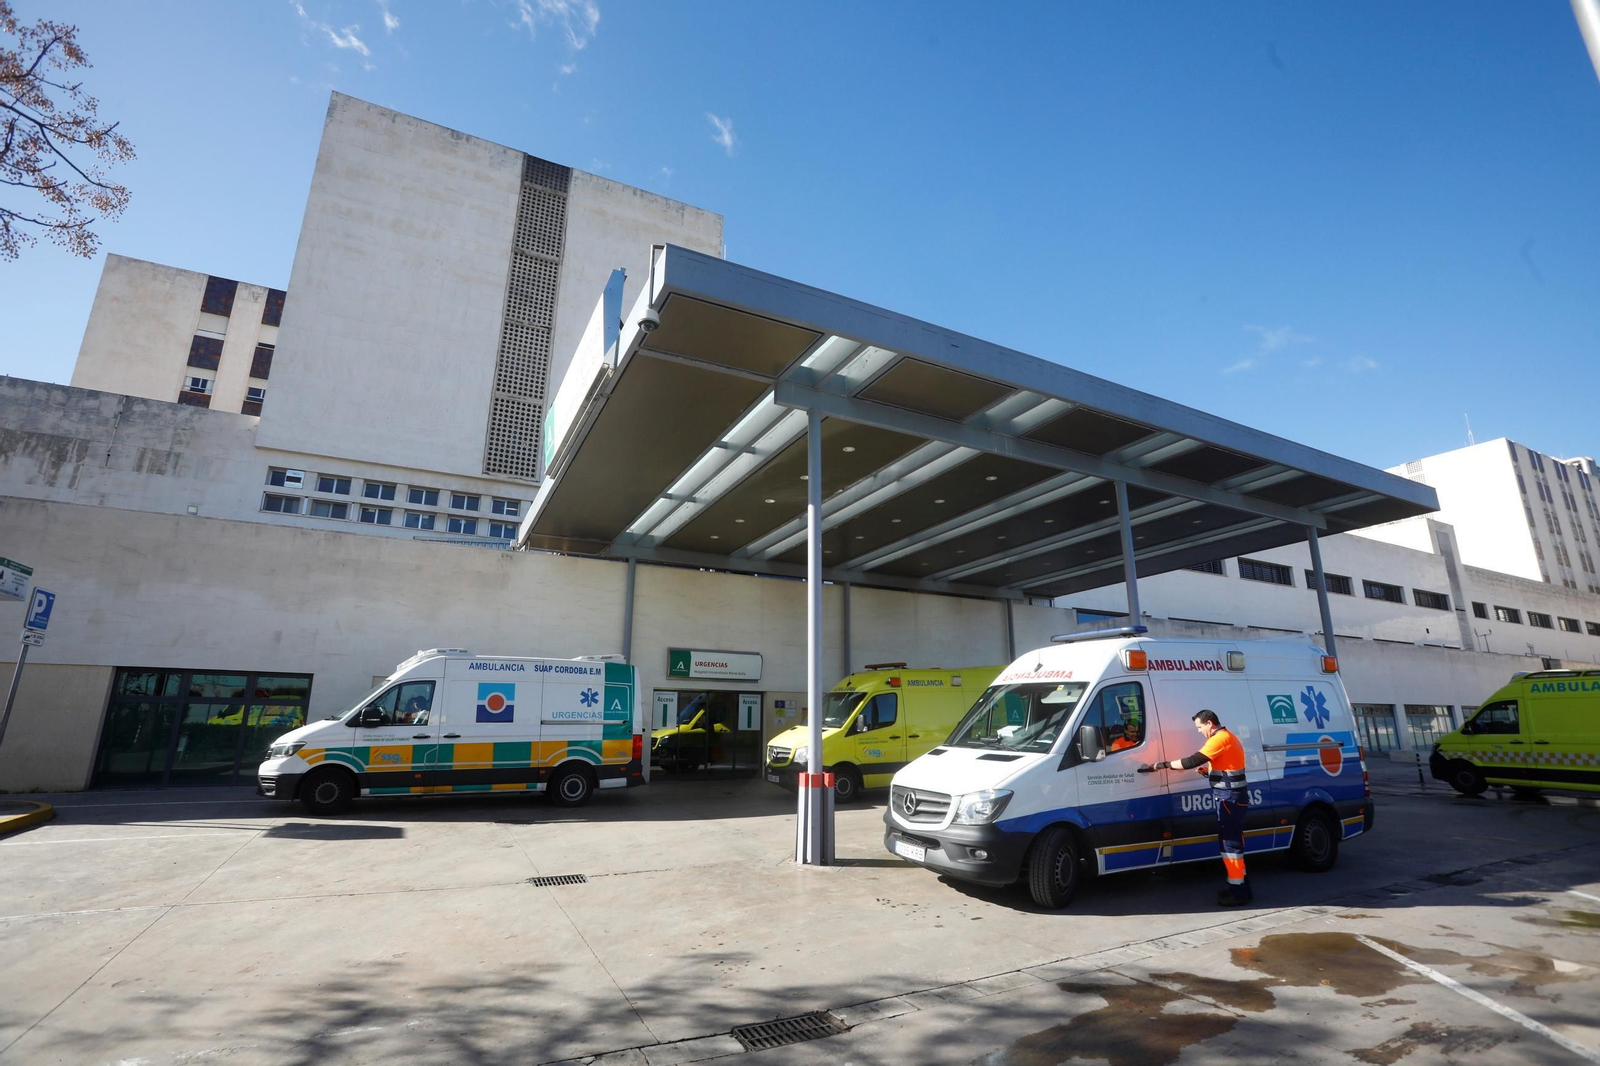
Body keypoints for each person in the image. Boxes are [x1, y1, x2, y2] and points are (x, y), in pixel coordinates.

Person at [1138, 709, 1251, 906]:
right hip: (1232, 798)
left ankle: (1238, 892)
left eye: (1200, 727)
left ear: (1209, 723)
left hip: (1229, 799)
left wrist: (1162, 765)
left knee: (1230, 844)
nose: (1199, 731)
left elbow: (1191, 761)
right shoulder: (1227, 737)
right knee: (1231, 842)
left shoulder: (1219, 739)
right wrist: (1209, 773)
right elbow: (1228, 769)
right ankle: (1239, 886)